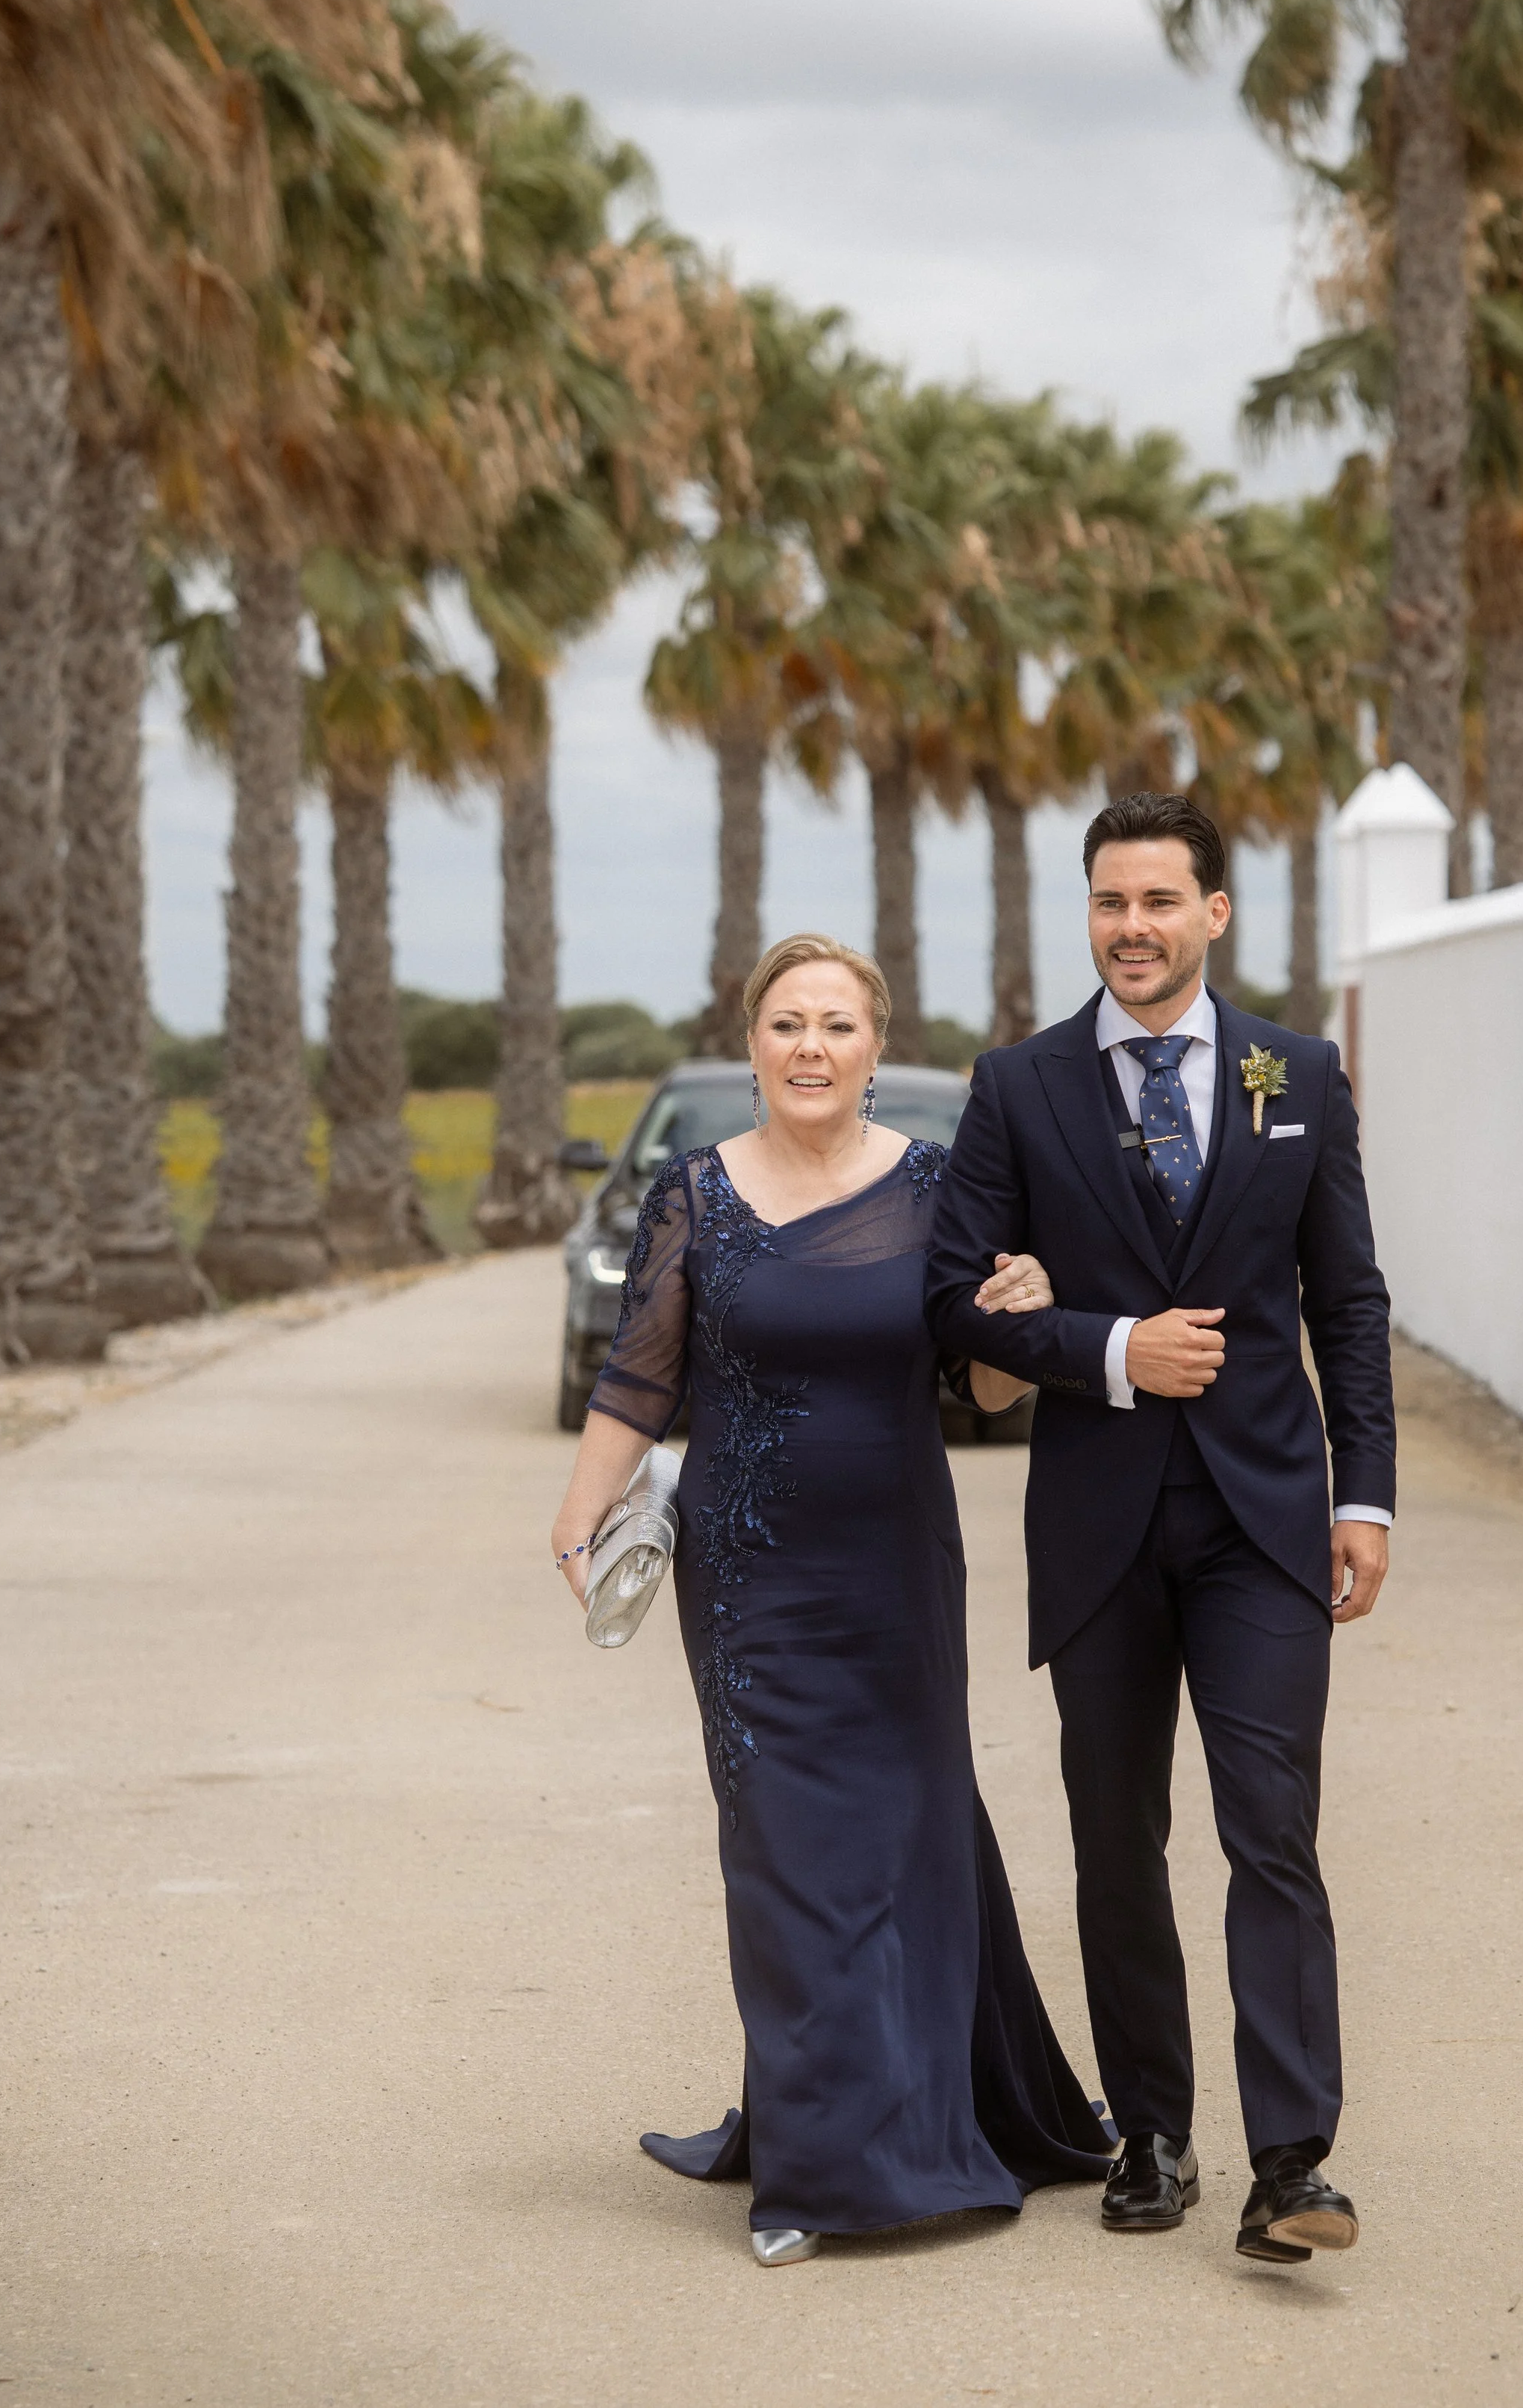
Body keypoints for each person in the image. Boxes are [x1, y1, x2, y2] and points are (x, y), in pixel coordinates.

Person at [551, 931, 1110, 2265]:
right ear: (753, 1042)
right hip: (744, 1574)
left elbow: (977, 1390)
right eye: (788, 1023)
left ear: (875, 1045)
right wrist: (578, 1515)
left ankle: (934, 2111)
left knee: (910, 1834)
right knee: (789, 1856)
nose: (812, 1046)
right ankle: (818, 2167)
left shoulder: (938, 1190)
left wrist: (1021, 1318)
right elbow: (642, 1375)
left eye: (837, 1025)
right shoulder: (694, 1193)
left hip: (895, 1567)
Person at [925, 792, 1396, 2265]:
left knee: (1271, 1831)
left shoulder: (1294, 1074)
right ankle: (1148, 2130)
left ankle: (1290, 2161)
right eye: (1105, 902)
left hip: (1264, 1518)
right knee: (1112, 1838)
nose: (1129, 928)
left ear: (1212, 914)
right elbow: (952, 1304)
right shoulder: (1017, 1087)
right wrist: (1112, 1352)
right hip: (1096, 1520)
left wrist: (1363, 1493)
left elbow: (1348, 1305)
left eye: (1154, 901)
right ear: (1088, 915)